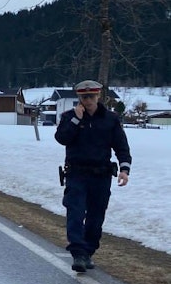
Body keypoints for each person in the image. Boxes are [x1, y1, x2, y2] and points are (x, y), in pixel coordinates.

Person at [55, 80, 132, 272]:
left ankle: (88, 251)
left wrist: (124, 169)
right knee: (76, 213)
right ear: (79, 98)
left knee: (96, 218)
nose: (88, 100)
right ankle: (78, 253)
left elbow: (121, 146)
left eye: (91, 96)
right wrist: (76, 120)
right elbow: (62, 138)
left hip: (101, 175)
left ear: (98, 96)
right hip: (76, 174)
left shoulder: (110, 119)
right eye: (84, 97)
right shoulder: (69, 116)